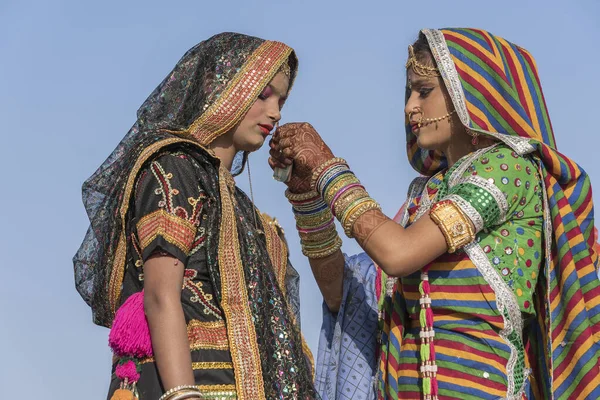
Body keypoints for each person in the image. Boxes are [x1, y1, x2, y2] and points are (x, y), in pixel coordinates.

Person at [269, 28, 600, 399]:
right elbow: (340, 295)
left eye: (423, 91)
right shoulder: (424, 194)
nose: (410, 107)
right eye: (409, 92)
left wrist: (327, 168)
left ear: (470, 94)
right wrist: (307, 196)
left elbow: (397, 254)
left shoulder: (508, 170)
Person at [74, 32, 317, 400]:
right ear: (223, 86)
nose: (276, 112)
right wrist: (184, 395)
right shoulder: (176, 167)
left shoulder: (246, 212)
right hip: (196, 385)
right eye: (264, 94)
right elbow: (160, 294)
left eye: (281, 100)